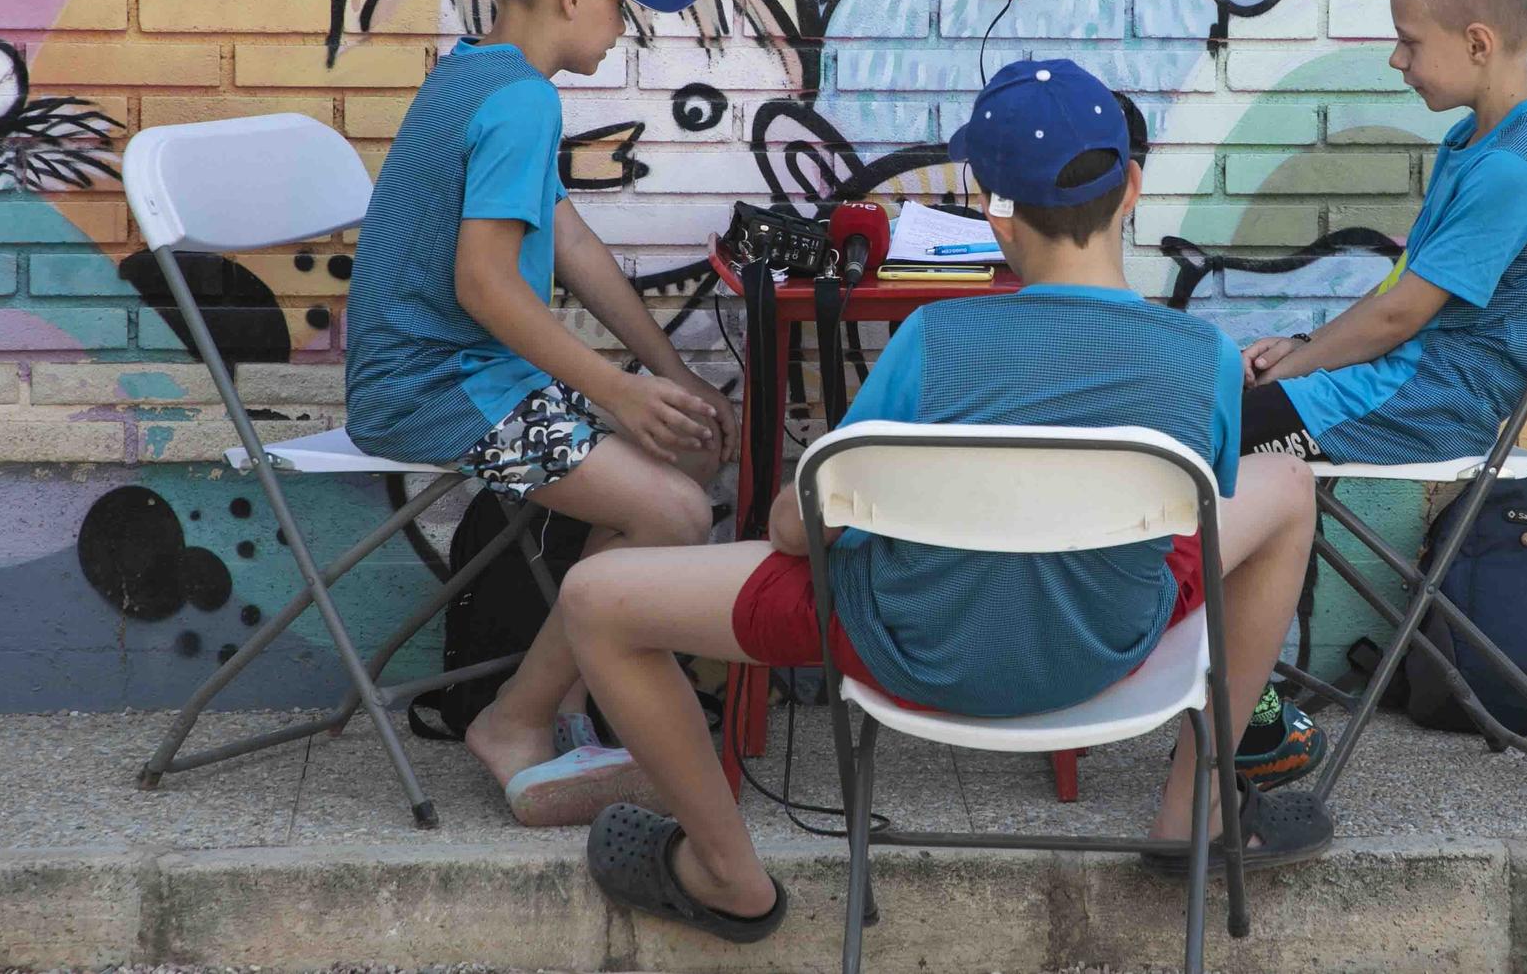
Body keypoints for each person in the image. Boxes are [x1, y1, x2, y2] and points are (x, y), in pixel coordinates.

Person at [554, 59, 1332, 945]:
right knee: (1290, 485)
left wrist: (791, 512)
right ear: (1133, 187)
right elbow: (1202, 512)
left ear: (993, 209)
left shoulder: (933, 338)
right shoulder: (1206, 359)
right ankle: (1195, 810)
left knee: (597, 599)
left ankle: (727, 875)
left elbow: (802, 522)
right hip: (1104, 647)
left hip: (906, 649)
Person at [344, 0, 737, 827]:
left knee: (674, 464)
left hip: (471, 378)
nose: (624, 26)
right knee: (678, 513)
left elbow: (570, 244)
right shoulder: (521, 103)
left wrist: (669, 375)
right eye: (621, 1)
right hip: (439, 391)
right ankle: (518, 720)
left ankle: (563, 705)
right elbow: (485, 284)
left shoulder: (478, 74)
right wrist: (613, 389)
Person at [1240, 0, 1527, 467]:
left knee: (1203, 443)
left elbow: (1398, 317)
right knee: (1216, 412)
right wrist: (1306, 350)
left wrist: (1291, 370)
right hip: (1399, 384)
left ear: (1476, 44)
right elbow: (1400, 289)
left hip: (1428, 408)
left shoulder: (1511, 169)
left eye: (1411, 41)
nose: (1397, 59)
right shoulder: (1473, 140)